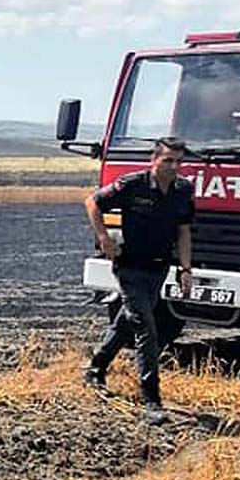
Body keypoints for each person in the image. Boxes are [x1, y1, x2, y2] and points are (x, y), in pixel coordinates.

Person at [82, 137, 195, 424]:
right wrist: (104, 238)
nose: (174, 166)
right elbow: (92, 202)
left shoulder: (183, 190)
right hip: (129, 266)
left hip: (158, 268)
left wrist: (185, 269)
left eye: (179, 161)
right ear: (154, 160)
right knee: (146, 327)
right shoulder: (132, 184)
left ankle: (95, 368)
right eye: (168, 160)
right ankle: (151, 400)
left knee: (126, 321)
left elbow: (183, 232)